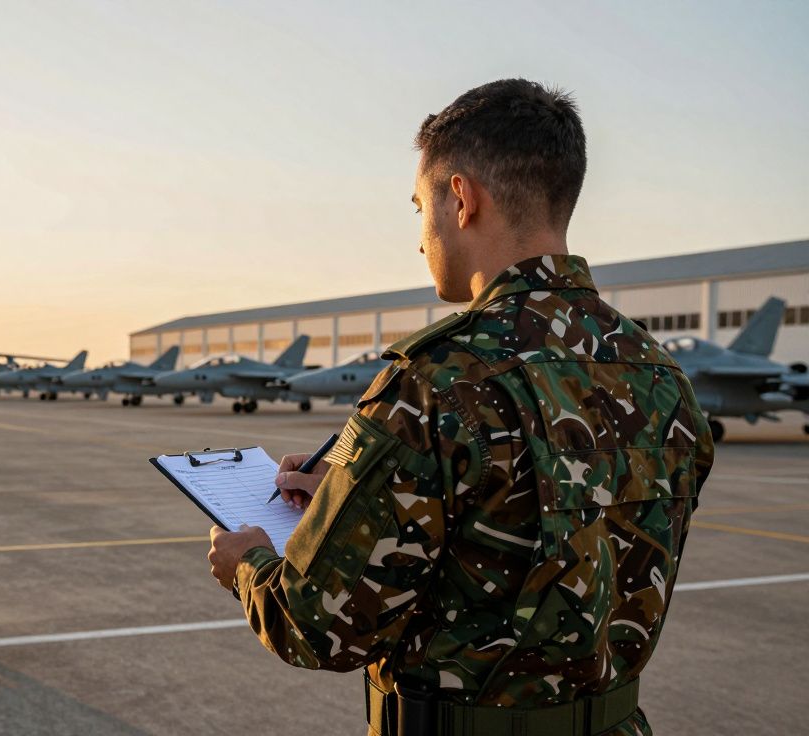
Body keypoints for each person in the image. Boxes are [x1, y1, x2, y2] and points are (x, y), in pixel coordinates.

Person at [207, 79, 714, 736]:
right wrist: (348, 491)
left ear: (462, 199)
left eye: (421, 206)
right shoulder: (659, 373)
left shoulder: (440, 376)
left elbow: (318, 628)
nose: (421, 238)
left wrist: (248, 563)